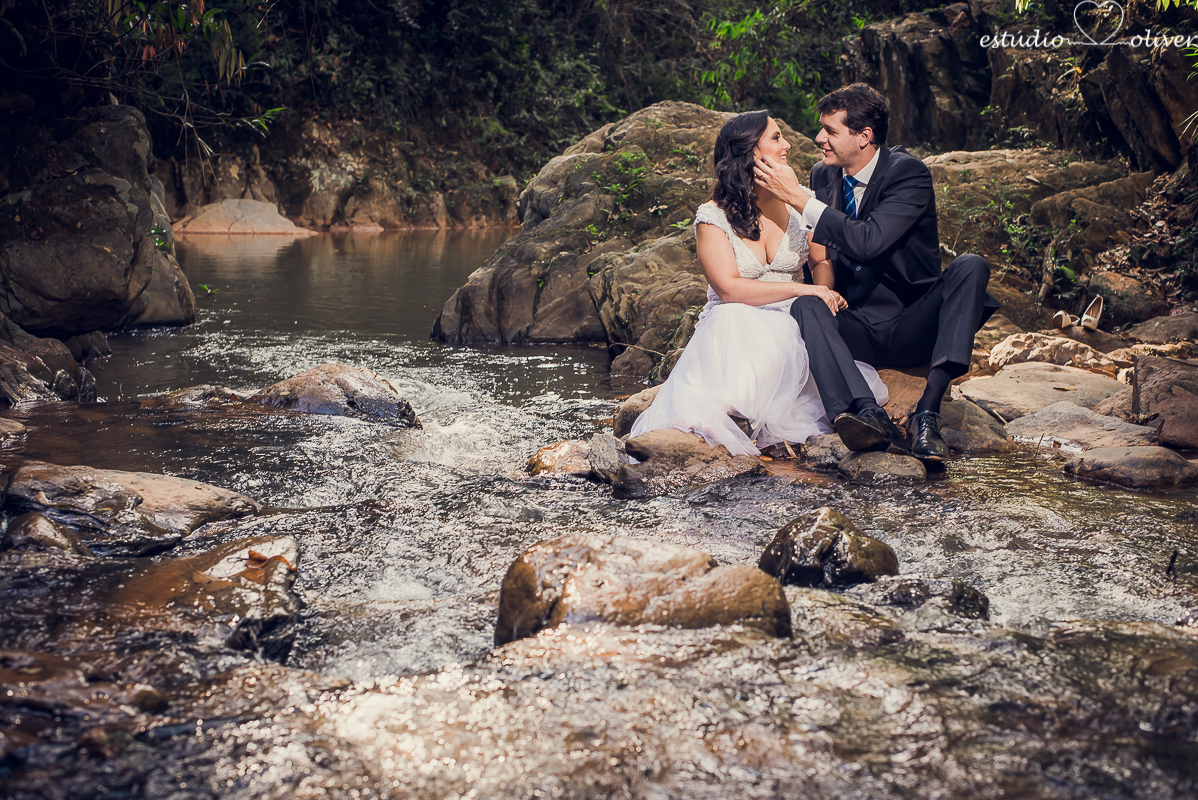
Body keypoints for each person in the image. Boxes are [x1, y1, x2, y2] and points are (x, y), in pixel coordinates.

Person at [753, 83, 1000, 463]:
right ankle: (865, 414)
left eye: (831, 131)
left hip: (911, 322)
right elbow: (821, 254)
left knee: (972, 265)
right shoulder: (823, 175)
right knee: (805, 304)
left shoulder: (908, 173)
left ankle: (927, 412)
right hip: (855, 325)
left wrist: (799, 199)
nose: (819, 138)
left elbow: (870, 241)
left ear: (864, 136)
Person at [629, 110, 887, 456]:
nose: (789, 144)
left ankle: (841, 415)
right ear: (752, 152)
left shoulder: (798, 201)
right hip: (736, 322)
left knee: (793, 321)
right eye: (777, 138)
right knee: (730, 317)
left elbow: (821, 259)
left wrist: (824, 288)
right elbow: (728, 289)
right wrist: (802, 288)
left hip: (793, 319)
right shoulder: (713, 215)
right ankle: (732, 412)